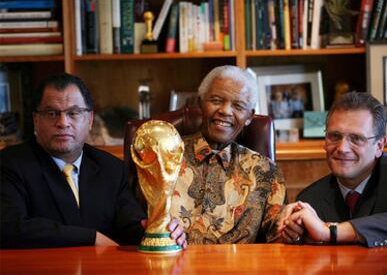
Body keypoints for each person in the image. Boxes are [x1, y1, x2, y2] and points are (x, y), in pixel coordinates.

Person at [0, 73, 186, 249]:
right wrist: (91, 238)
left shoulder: (111, 168)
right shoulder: (10, 164)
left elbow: (130, 225)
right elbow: (9, 227)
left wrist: (158, 230)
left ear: (89, 120)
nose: (63, 122)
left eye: (73, 113)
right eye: (52, 113)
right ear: (36, 120)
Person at [166, 65, 287, 244]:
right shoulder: (164, 156)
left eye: (238, 106)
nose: (225, 111)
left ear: (249, 117)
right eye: (216, 100)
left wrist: (293, 225)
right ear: (200, 103)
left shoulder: (266, 171)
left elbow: (278, 234)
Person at [280, 92, 387, 247]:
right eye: (335, 136)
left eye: (356, 138)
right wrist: (295, 234)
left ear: (379, 146)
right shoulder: (311, 198)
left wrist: (331, 231)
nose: (342, 148)